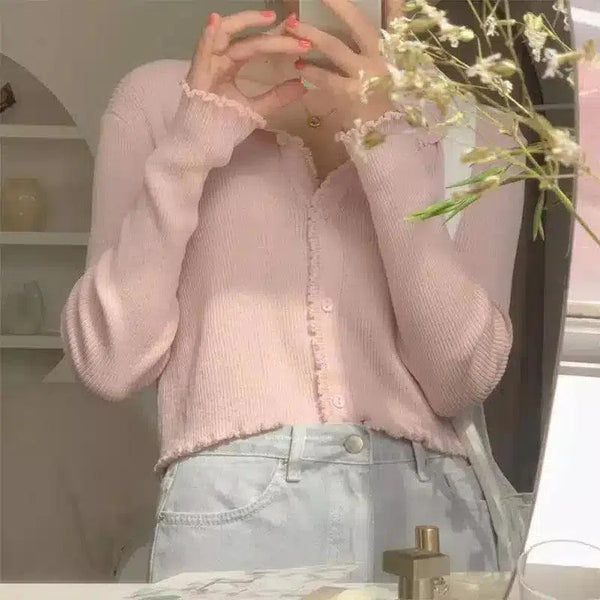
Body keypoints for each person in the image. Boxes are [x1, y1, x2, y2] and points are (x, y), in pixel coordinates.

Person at [61, 0, 523, 584]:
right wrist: (191, 145)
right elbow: (110, 360)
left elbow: (459, 379)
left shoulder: (475, 129)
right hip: (231, 518)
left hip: (428, 522)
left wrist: (387, 141)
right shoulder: (161, 98)